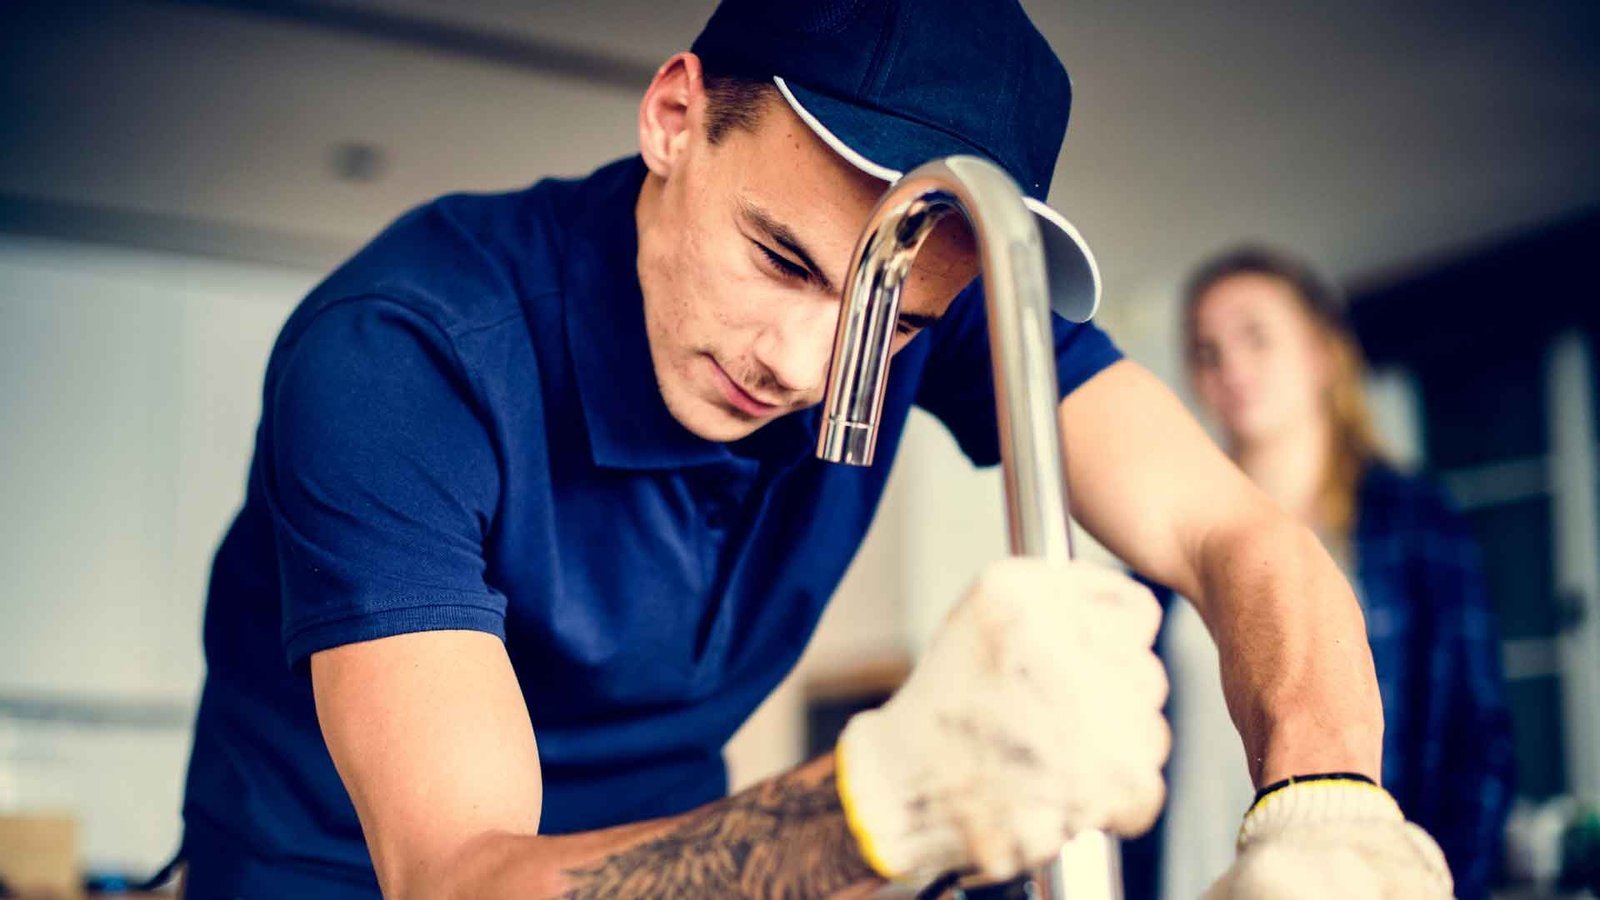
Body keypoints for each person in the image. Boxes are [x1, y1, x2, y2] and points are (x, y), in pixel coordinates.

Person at [176, 1, 1454, 896]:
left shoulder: (923, 293)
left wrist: (1325, 802)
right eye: (779, 258)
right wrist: (881, 800)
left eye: (891, 324)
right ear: (675, 116)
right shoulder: (404, 354)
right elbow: (455, 878)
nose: (804, 362)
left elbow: (1232, 533)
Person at [1128, 247, 1515, 899]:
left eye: (1256, 336)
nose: (1230, 367)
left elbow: (1478, 747)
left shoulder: (1415, 524)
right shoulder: (1168, 537)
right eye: (1206, 349)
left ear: (1321, 353)